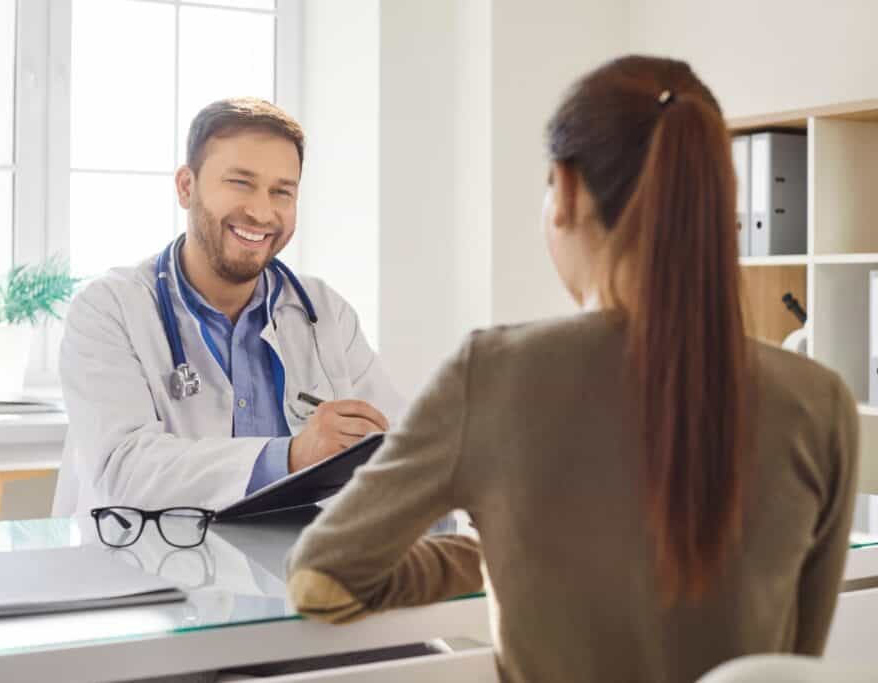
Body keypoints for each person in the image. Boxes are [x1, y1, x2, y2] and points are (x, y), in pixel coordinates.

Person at [286, 55, 860, 683]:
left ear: (566, 191)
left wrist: (492, 552)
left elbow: (323, 578)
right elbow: (792, 664)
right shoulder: (821, 401)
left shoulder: (496, 373)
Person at [52, 97, 403, 517]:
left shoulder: (325, 312)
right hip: (145, 573)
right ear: (187, 187)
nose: (260, 211)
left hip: (291, 571)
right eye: (240, 183)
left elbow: (397, 446)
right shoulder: (109, 309)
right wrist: (290, 457)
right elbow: (123, 469)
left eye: (282, 192)